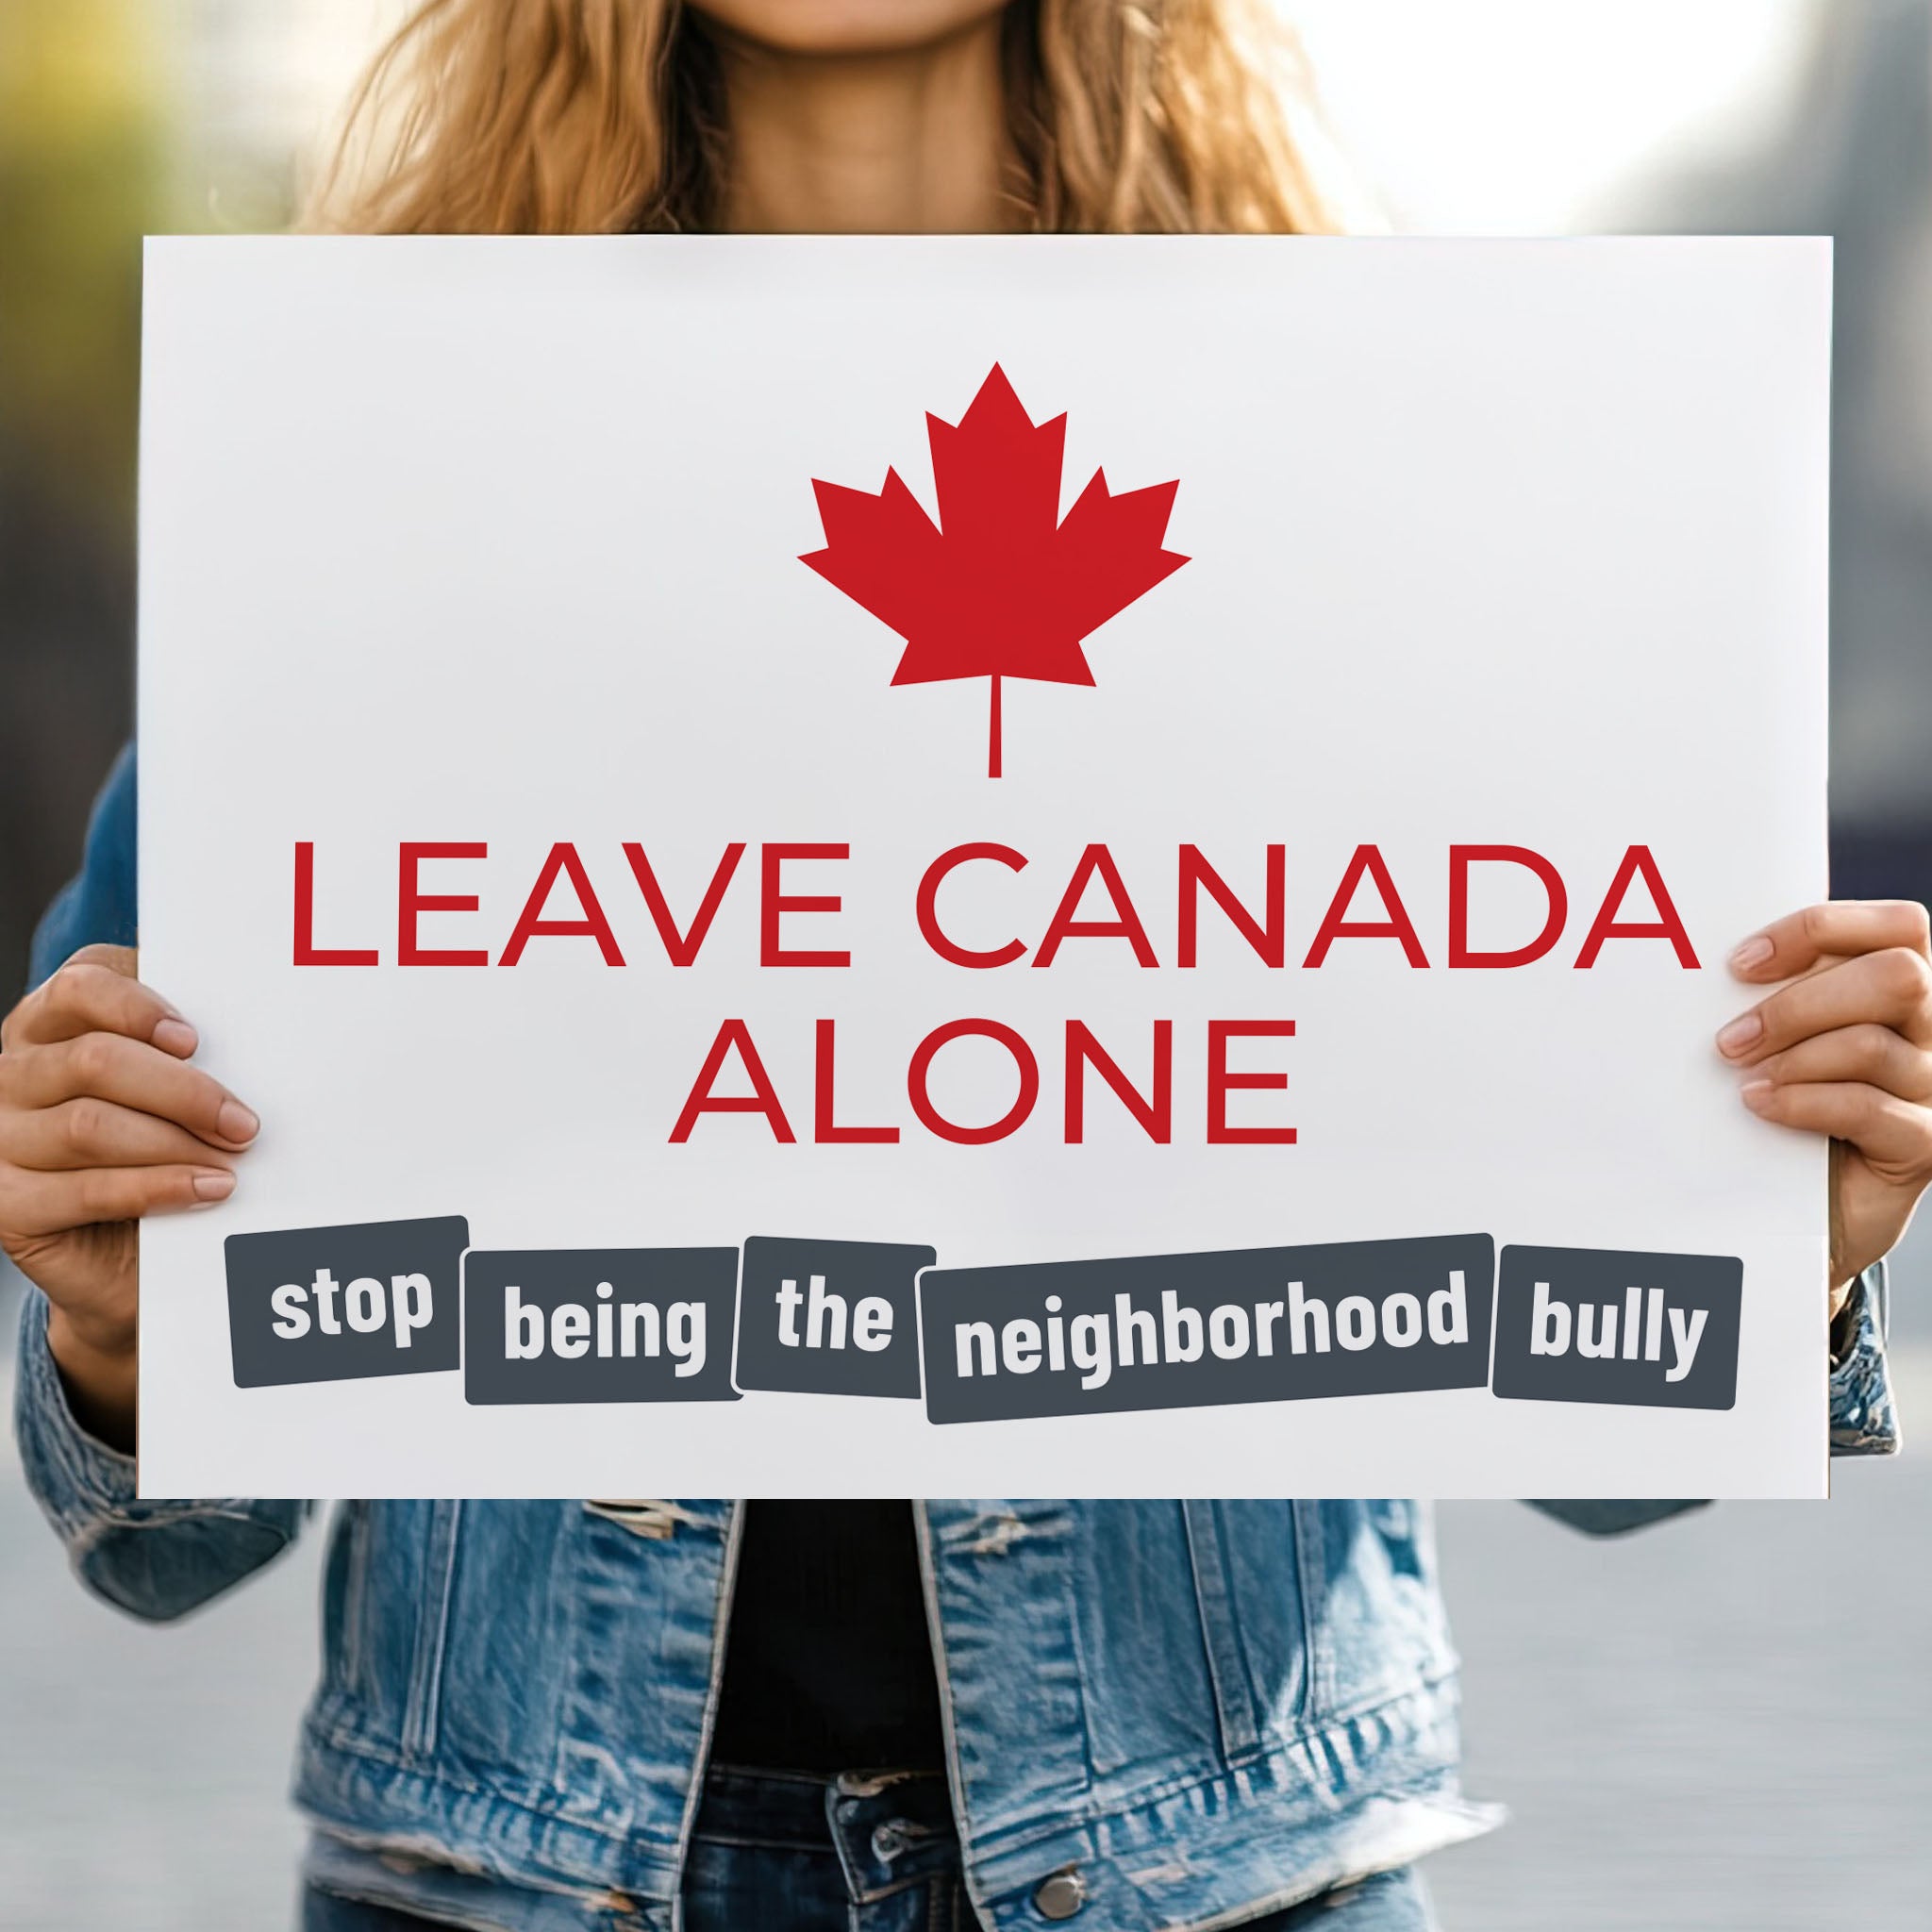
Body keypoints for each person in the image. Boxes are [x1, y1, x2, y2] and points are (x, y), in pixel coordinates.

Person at [4, 4, 1924, 1927]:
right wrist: (117, 1333)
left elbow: (1597, 1462)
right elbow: (163, 1548)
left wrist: (1764, 1243)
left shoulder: (1377, 461)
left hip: (1220, 1883)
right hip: (511, 1879)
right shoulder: (372, 470)